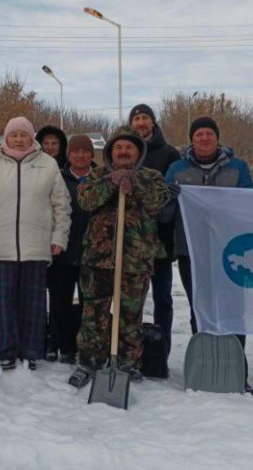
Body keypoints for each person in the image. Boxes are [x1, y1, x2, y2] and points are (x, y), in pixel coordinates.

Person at [68, 128, 171, 387]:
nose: (123, 151)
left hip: (135, 260)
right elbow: (86, 201)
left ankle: (127, 362)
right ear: (111, 152)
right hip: (98, 259)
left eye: (129, 147)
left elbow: (158, 203)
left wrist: (133, 183)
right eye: (118, 148)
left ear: (139, 152)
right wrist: (110, 183)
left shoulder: (152, 177)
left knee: (130, 315)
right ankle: (89, 361)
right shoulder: (97, 175)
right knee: (93, 314)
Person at [0, 117, 71, 370]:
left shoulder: (47, 164)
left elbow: (62, 205)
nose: (18, 138)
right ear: (5, 137)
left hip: (36, 245)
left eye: (23, 134)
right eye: (13, 134)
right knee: (3, 303)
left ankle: (31, 351)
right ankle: (3, 350)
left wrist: (59, 237)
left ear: (31, 137)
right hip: (0, 245)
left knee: (33, 303)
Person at [163, 117, 253, 334]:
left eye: (209, 134)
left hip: (231, 249)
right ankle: (204, 355)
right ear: (192, 140)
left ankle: (234, 358)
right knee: (199, 306)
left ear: (217, 138)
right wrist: (168, 197)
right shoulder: (177, 169)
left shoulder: (238, 167)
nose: (204, 138)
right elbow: (163, 214)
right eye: (199, 135)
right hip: (191, 250)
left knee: (232, 307)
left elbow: (251, 203)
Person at [128, 103, 182, 353]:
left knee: (162, 297)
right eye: (136, 118)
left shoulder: (168, 153)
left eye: (145, 118)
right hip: (129, 240)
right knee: (131, 300)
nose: (141, 123)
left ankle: (161, 351)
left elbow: (174, 194)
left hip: (159, 240)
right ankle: (130, 349)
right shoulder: (125, 151)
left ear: (153, 123)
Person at [46, 134, 96, 364]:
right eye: (76, 151)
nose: (81, 155)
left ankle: (86, 346)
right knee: (59, 302)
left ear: (92, 154)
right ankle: (60, 345)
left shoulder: (100, 179)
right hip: (63, 252)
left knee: (90, 304)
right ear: (69, 155)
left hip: (92, 254)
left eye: (85, 151)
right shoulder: (58, 178)